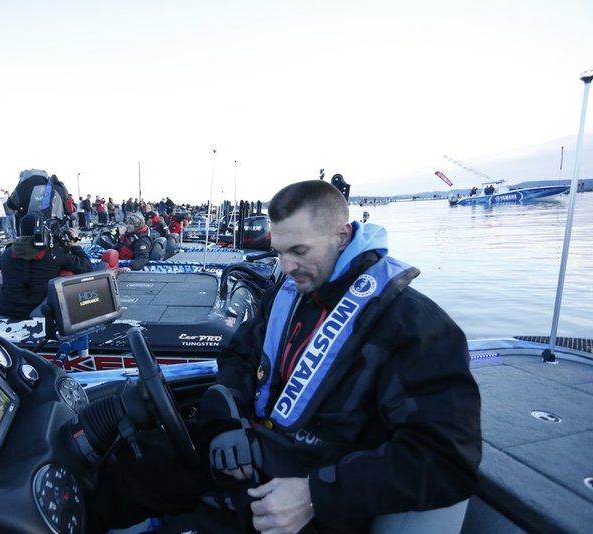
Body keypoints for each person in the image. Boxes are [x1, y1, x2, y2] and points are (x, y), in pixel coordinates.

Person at [90, 180, 482, 533]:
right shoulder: (289, 293)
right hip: (248, 458)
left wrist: (315, 494)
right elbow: (238, 355)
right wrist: (226, 418)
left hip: (314, 500)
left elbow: (445, 461)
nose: (287, 266)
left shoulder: (415, 327)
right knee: (118, 470)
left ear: (342, 235)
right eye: (279, 252)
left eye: (299, 251)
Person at [0, 213, 93, 319]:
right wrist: (73, 245)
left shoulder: (7, 253)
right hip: (37, 314)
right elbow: (86, 267)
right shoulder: (55, 254)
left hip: (4, 311)